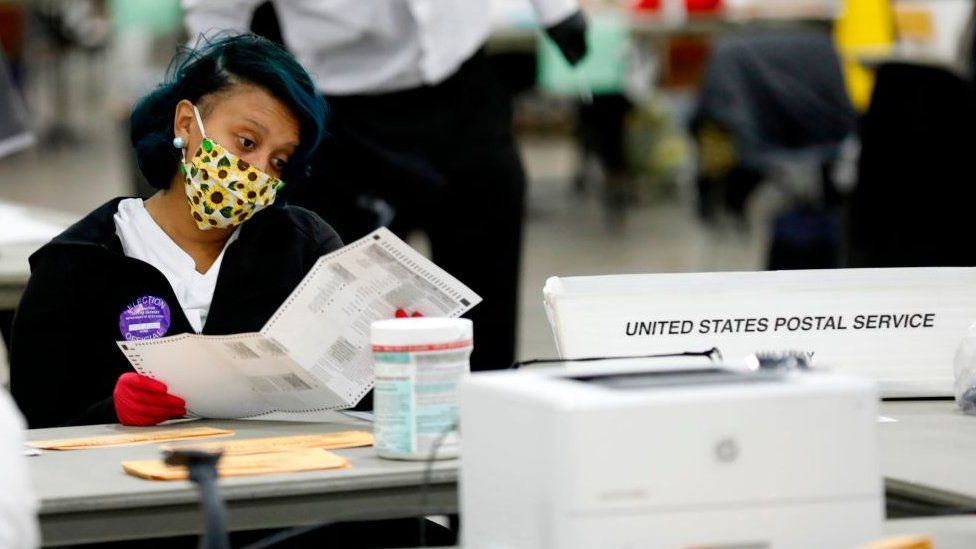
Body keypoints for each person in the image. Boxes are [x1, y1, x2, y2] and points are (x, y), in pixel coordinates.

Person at [183, 0, 588, 373]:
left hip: (462, 82)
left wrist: (556, 10)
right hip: (341, 114)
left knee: (486, 308)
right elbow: (216, 12)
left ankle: (489, 417)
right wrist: (213, 109)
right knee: (350, 323)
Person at [9, 34, 338, 428]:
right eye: (247, 142)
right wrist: (112, 414)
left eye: (279, 161)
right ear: (186, 123)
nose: (259, 171)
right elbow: (32, 427)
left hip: (280, 476)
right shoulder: (76, 263)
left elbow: (356, 392)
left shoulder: (302, 249)